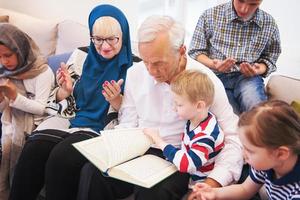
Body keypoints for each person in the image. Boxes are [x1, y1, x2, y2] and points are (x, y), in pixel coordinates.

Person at [78, 15, 243, 200]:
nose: (150, 70)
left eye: (158, 63)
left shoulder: (205, 82)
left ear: (181, 51)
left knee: (153, 192)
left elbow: (233, 139)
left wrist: (213, 183)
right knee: (92, 172)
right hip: (138, 150)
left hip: (178, 159)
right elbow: (128, 123)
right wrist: (112, 150)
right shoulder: (135, 73)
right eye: (145, 61)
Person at [8, 4, 132, 200]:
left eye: (112, 39)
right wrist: (64, 91)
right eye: (98, 39)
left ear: (123, 36)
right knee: (34, 148)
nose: (105, 46)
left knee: (61, 158)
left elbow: (134, 116)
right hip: (71, 118)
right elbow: (60, 99)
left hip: (103, 129)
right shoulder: (81, 55)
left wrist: (117, 101)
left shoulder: (134, 67)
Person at [189, 100, 300, 200]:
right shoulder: (266, 164)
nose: (243, 154)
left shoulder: (296, 192)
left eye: (250, 151)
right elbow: (245, 189)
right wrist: (214, 193)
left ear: (280, 154)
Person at [188, 0, 281, 114]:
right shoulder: (209, 16)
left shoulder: (269, 24)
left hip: (248, 78)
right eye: (240, 1)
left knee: (257, 112)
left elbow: (270, 57)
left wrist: (259, 69)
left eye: (253, 4)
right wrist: (213, 64)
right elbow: (195, 52)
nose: (244, 9)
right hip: (215, 77)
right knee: (230, 117)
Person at [0, 23, 55, 198]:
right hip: (10, 120)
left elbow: (41, 108)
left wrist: (15, 97)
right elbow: (3, 109)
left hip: (35, 124)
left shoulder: (42, 72)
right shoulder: (5, 71)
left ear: (21, 50)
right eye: (0, 57)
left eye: (8, 55)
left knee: (8, 145)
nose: (4, 61)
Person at [144, 69, 224, 187]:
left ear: (199, 106)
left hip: (203, 184)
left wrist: (158, 140)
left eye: (179, 104)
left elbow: (186, 164)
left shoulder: (205, 136)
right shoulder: (196, 119)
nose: (174, 108)